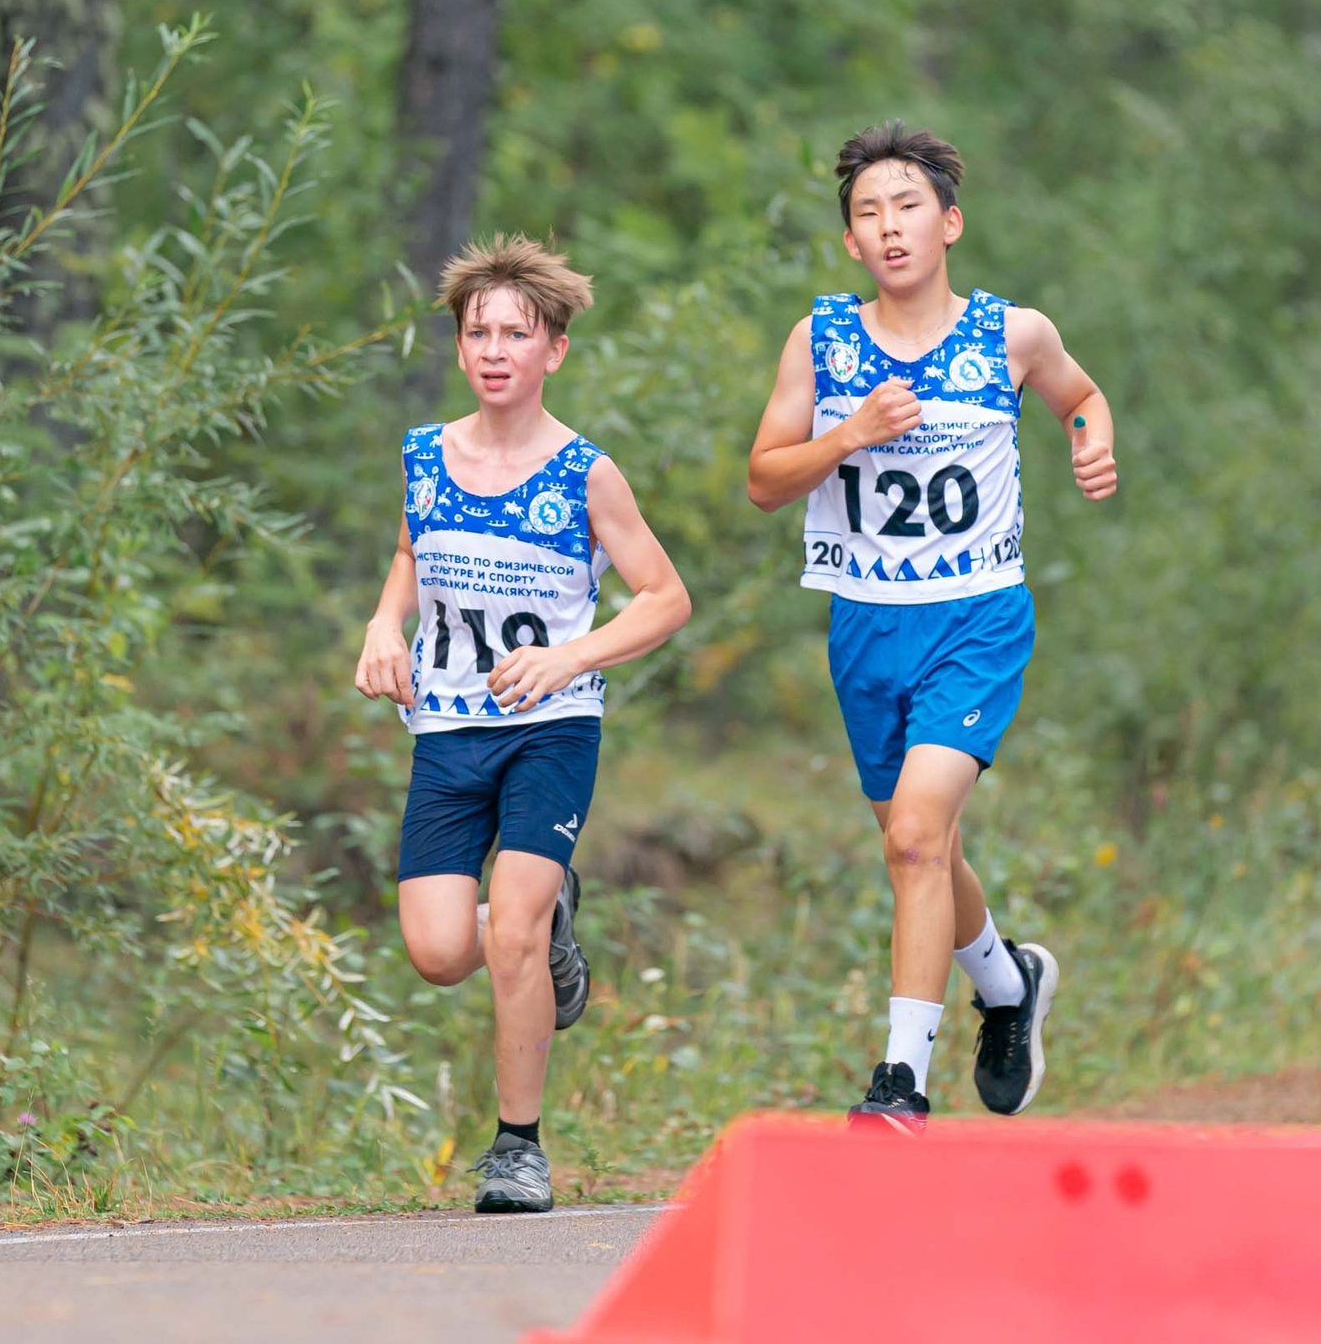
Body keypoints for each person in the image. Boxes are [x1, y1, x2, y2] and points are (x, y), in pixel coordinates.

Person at [745, 121, 1118, 1131]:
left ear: (948, 223)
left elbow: (1079, 397)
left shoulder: (1011, 333)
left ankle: (899, 1082)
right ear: (852, 246)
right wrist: (849, 433)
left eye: (906, 205)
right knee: (922, 849)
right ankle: (1007, 984)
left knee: (915, 838)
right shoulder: (818, 340)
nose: (889, 225)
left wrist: (1091, 444)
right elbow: (763, 482)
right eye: (868, 214)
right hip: (867, 626)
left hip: (976, 619)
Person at [354, 234, 692, 1209]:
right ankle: (541, 924)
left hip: (552, 727)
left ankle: (518, 1147)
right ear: (460, 349)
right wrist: (383, 627)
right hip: (446, 731)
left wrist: (570, 656)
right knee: (437, 950)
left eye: (516, 332)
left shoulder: (586, 474)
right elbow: (410, 561)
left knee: (508, 941)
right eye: (478, 332)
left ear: (554, 352)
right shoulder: (427, 455)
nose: (495, 348)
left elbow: (665, 598)